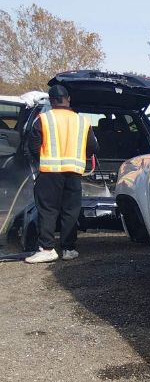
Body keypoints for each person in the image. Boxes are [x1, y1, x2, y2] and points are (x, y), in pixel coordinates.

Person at [25, 84, 98, 263]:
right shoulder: (82, 121)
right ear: (68, 99)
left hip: (50, 172)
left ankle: (48, 249)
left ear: (51, 101)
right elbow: (93, 148)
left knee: (48, 210)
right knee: (70, 211)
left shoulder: (43, 119)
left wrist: (43, 160)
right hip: (74, 173)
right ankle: (69, 249)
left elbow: (33, 147)